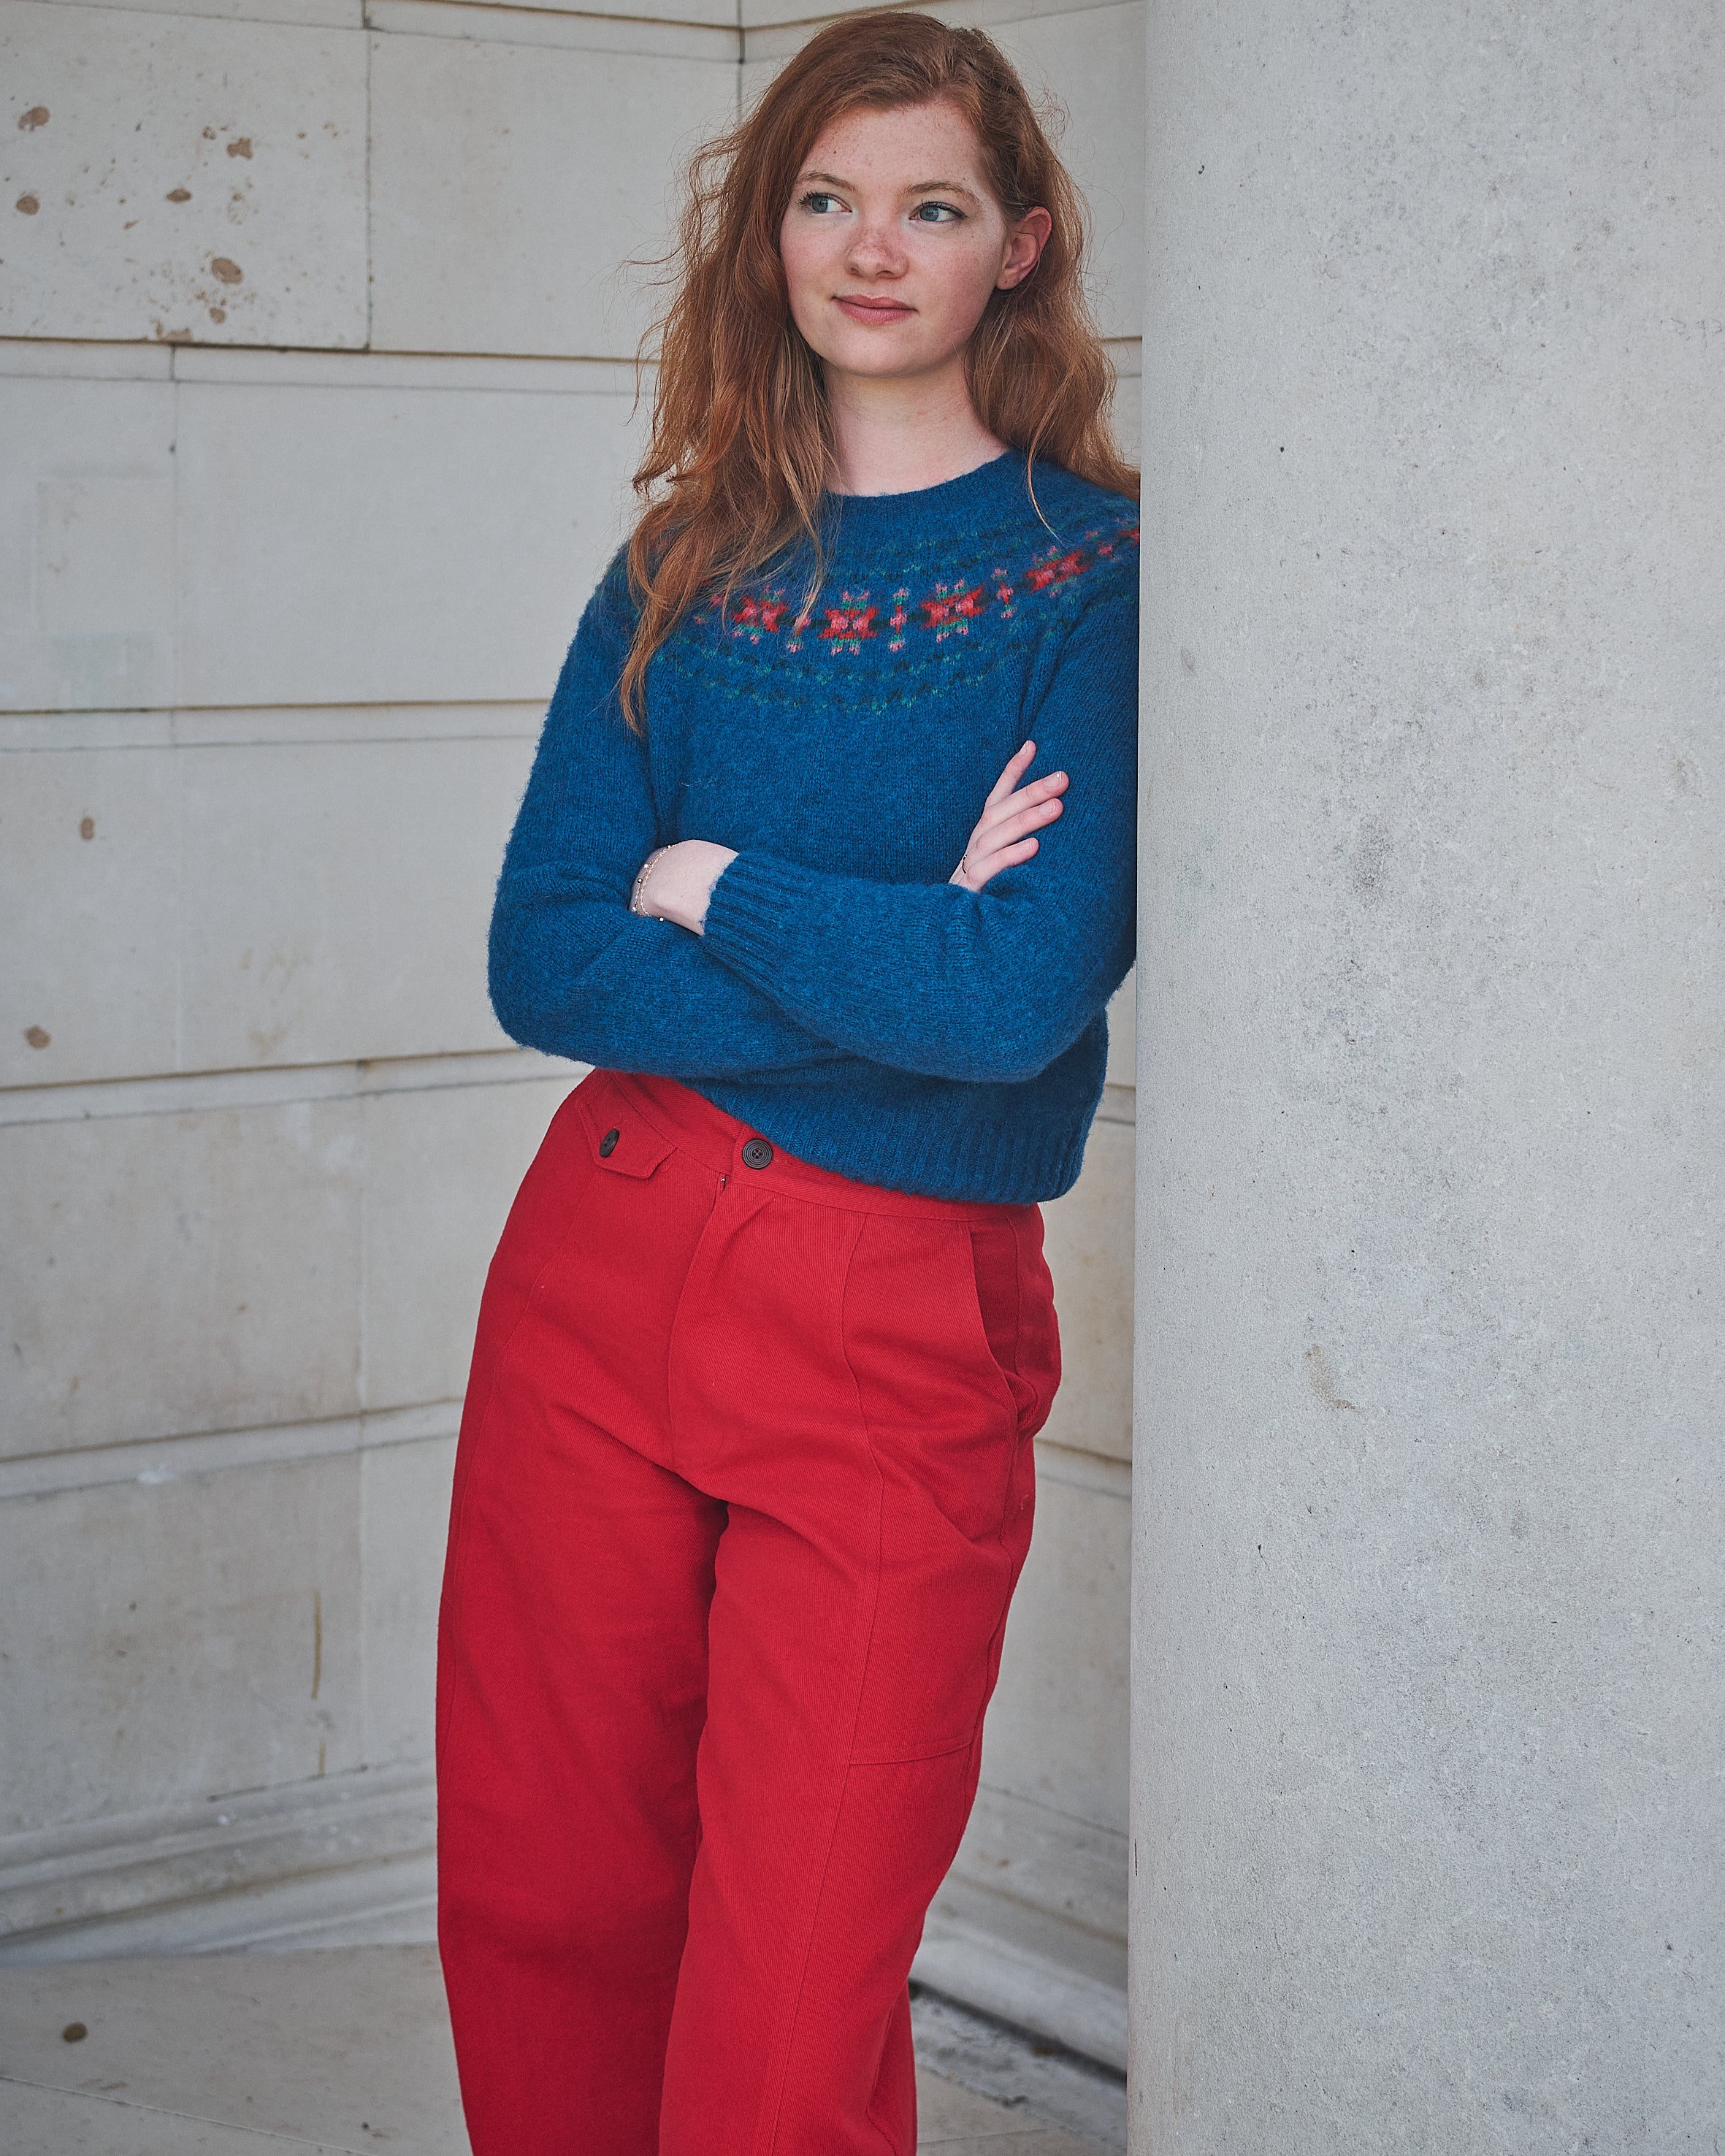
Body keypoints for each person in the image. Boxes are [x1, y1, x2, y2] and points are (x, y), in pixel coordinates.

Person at [434, 12, 1139, 2152]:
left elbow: (1012, 998)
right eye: (827, 200)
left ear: (1012, 247)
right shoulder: (676, 569)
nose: (869, 248)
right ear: (769, 239)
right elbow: (543, 959)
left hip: (894, 1299)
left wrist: (711, 874)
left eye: (927, 206)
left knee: (791, 1969)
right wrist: (879, 933)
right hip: (602, 1252)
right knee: (550, 1892)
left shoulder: (1098, 580)